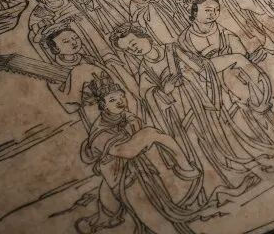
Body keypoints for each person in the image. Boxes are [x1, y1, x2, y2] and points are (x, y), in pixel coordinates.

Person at [110, 25, 262, 204]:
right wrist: (163, 91)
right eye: (128, 48)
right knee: (198, 150)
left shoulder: (172, 50)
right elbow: (148, 99)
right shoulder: (145, 71)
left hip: (198, 103)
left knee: (217, 138)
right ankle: (218, 189)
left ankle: (236, 175)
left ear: (143, 36)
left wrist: (189, 73)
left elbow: (201, 67)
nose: (133, 48)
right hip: (180, 117)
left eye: (133, 42)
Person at [176, 0, 274, 172]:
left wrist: (232, 61)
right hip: (214, 90)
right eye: (208, 10)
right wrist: (224, 61)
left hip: (238, 82)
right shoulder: (184, 40)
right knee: (240, 121)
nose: (213, 14)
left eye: (216, 10)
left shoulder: (224, 32)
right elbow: (192, 68)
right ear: (195, 12)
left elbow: (242, 56)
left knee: (257, 109)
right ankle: (265, 156)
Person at [77, 72, 206, 234]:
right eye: (112, 100)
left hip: (143, 171)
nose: (120, 101)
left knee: (166, 214)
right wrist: (149, 135)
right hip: (122, 179)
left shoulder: (126, 117)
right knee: (155, 221)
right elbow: (127, 151)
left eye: (121, 96)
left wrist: (143, 132)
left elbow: (139, 140)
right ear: (104, 106)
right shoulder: (99, 133)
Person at [23, 0, 114, 63]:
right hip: (69, 44)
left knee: (104, 55)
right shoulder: (39, 13)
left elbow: (92, 8)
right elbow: (37, 35)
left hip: (90, 34)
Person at [112, 0, 190, 46]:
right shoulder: (134, 7)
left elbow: (182, 1)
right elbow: (141, 23)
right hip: (166, 35)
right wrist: (156, 2)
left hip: (184, 26)